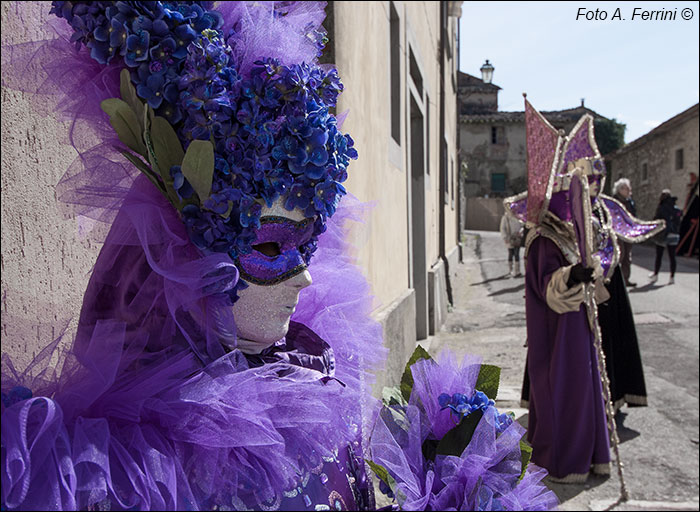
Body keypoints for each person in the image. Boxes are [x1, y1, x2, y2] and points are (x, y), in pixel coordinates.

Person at [1, 2, 557, 510]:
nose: (308, 276)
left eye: (308, 244)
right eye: (269, 245)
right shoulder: (131, 470)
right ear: (185, 255)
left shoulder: (314, 377)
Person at [520, 101, 611, 483]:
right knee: (563, 401)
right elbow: (551, 289)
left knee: (582, 398)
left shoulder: (570, 235)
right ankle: (561, 462)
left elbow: (588, 277)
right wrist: (576, 275)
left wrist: (593, 273)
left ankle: (588, 457)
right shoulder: (543, 240)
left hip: (578, 331)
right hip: (556, 339)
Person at [649, 189, 683, 285]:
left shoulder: (662, 207)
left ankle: (655, 275)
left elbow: (656, 220)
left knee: (659, 255)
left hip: (664, 234)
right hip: (674, 234)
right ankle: (672, 277)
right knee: (672, 256)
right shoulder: (676, 208)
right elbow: (679, 219)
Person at [612, 178, 637, 286]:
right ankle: (614, 280)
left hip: (628, 233)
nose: (628, 190)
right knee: (619, 256)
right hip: (617, 233)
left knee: (627, 257)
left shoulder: (630, 202)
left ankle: (625, 279)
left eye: (628, 188)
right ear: (620, 189)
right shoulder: (614, 201)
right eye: (625, 188)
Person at [500, 211, 524, 277]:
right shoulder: (506, 217)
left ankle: (517, 271)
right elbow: (503, 228)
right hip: (509, 238)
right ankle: (510, 270)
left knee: (517, 254)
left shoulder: (519, 216)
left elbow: (523, 226)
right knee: (511, 254)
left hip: (517, 238)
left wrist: (520, 232)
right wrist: (505, 238)